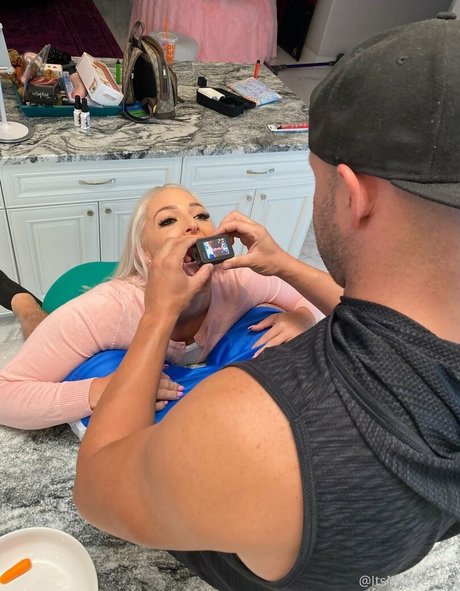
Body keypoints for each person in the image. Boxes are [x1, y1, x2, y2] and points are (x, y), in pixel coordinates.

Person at [73, 14, 460, 591]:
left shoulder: (249, 427)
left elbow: (96, 489)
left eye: (318, 180)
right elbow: (396, 322)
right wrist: (284, 264)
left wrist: (156, 317)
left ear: (353, 197)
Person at [0, 184, 330, 430]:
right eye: (168, 220)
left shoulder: (238, 280)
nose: (193, 225)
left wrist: (303, 317)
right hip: (79, 305)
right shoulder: (106, 310)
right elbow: (6, 395)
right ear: (145, 253)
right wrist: (98, 390)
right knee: (38, 325)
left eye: (201, 215)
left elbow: (328, 301)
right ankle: (23, 301)